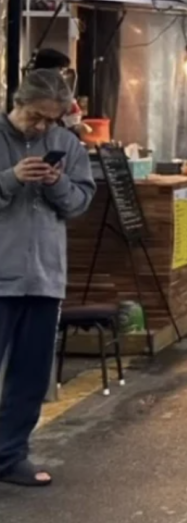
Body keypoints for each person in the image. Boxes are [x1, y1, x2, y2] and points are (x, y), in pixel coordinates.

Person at [0, 69, 95, 486]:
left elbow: (79, 203)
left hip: (45, 277)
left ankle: (10, 455)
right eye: (35, 117)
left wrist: (57, 184)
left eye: (51, 119)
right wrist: (11, 178)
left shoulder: (66, 145)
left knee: (31, 373)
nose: (42, 127)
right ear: (18, 104)